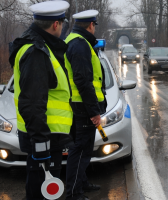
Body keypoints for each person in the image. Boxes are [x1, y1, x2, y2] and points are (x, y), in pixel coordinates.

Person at [8, 1, 73, 199]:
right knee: (41, 192)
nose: (62, 28)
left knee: (43, 191)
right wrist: (40, 144)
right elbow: (32, 102)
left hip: (46, 136)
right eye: (62, 24)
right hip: (44, 137)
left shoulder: (42, 47)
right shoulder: (37, 52)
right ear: (56, 24)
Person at [64, 10, 107, 200]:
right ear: (91, 25)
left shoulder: (75, 41)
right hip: (82, 106)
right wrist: (94, 111)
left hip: (80, 105)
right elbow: (82, 81)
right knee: (80, 150)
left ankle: (81, 183)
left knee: (85, 148)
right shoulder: (79, 45)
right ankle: (74, 193)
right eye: (94, 25)